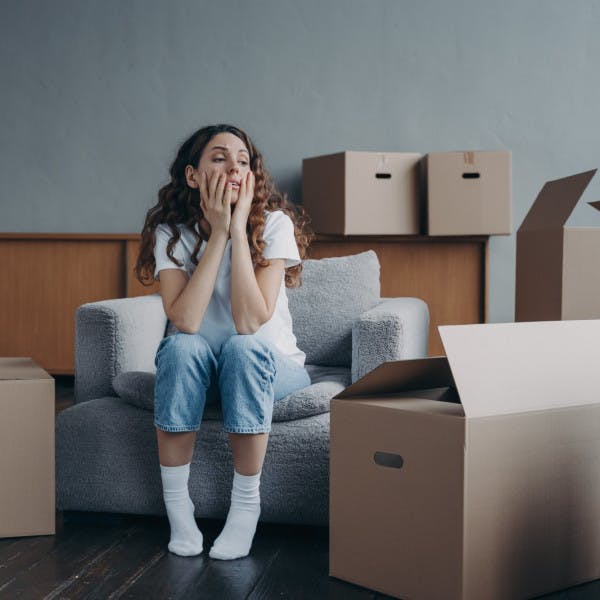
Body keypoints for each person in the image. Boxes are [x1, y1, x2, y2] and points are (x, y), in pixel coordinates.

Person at [135, 124, 312, 560]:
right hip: (201, 367)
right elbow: (186, 320)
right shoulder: (171, 232)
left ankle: (245, 508)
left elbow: (250, 321)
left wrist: (237, 229)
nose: (234, 166)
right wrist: (216, 233)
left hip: (268, 367)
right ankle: (179, 510)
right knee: (179, 346)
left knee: (242, 346)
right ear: (193, 176)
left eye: (243, 160)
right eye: (219, 157)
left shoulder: (273, 224)